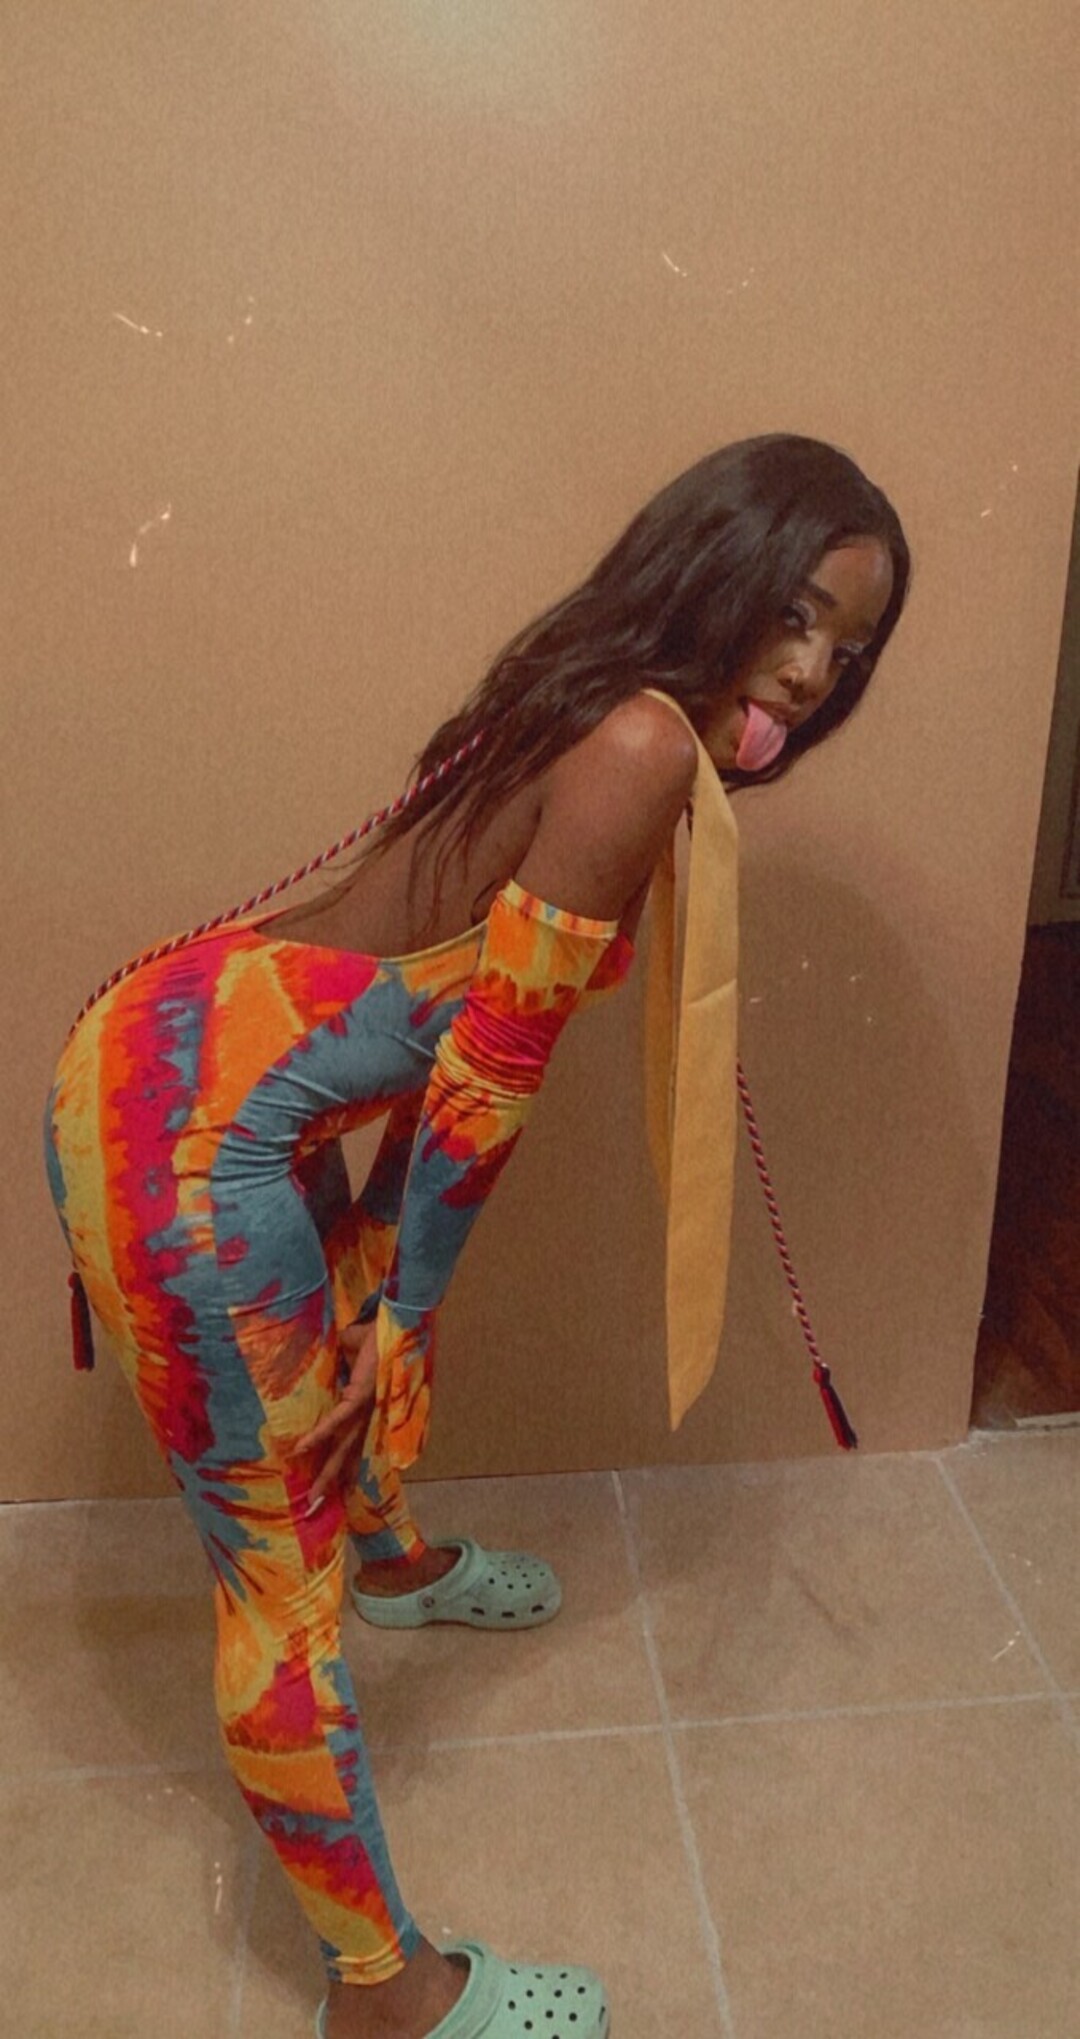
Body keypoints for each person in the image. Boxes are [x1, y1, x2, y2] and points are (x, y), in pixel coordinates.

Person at [43, 434, 908, 2039]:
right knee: (273, 1585)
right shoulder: (637, 743)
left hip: (215, 1072)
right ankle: (386, 1996)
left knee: (365, 1342)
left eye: (845, 649)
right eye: (796, 612)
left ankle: (397, 1563)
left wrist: (385, 1282)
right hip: (182, 1131)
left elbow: (444, 1057)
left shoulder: (614, 699)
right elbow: (490, 1073)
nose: (810, 672)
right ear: (716, 564)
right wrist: (407, 1311)